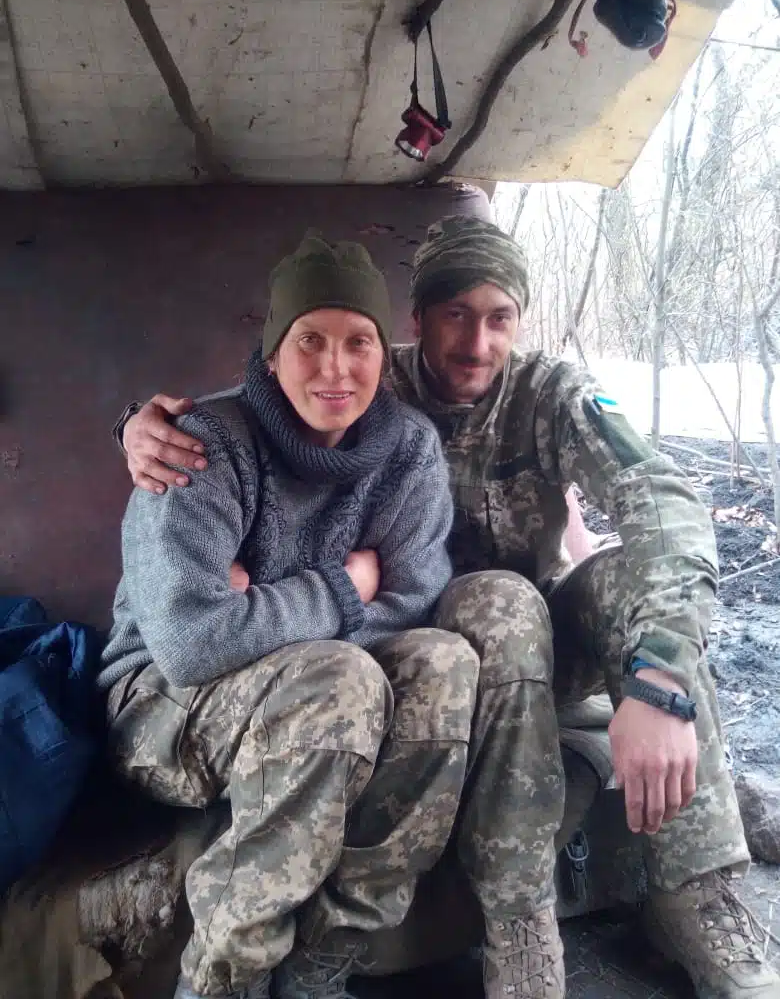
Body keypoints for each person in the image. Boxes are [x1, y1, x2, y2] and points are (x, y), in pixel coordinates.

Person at [117, 216, 780, 999]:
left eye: (500, 317)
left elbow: (662, 502)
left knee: (636, 592)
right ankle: (517, 917)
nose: (476, 342)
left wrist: (660, 675)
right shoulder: (364, 384)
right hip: (398, 649)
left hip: (494, 645)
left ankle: (700, 892)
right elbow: (238, 422)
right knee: (483, 613)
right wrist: (135, 428)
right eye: (455, 314)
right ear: (418, 318)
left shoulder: (539, 397)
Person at [100, 232, 485, 999]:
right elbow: (192, 642)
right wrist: (343, 588)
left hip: (316, 694)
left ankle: (321, 965)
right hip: (159, 707)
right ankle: (224, 980)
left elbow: (411, 604)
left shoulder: (408, 451)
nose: (335, 367)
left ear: (384, 354)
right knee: (335, 677)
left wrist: (256, 606)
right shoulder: (201, 446)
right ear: (273, 355)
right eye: (310, 340)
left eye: (358, 341)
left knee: (445, 662)